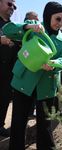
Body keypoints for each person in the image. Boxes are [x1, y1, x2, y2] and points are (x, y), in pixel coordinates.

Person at [2, 2, 62, 149]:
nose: (60, 23)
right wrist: (28, 27)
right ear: (48, 15)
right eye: (58, 19)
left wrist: (53, 63)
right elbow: (7, 29)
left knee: (45, 127)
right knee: (18, 123)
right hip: (24, 82)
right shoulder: (35, 26)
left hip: (46, 86)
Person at [0, 0, 19, 137]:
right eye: (9, 4)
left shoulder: (13, 26)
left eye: (14, 6)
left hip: (8, 71)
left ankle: (0, 125)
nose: (12, 8)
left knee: (5, 98)